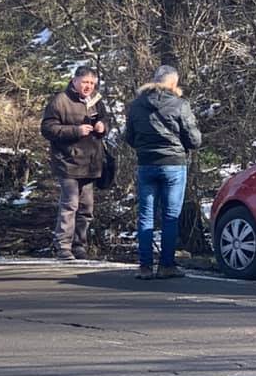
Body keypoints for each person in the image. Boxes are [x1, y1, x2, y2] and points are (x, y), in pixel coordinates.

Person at [125, 65, 202, 279]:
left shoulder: (137, 105)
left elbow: (129, 136)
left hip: (146, 164)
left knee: (145, 216)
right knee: (170, 216)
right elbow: (194, 139)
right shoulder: (180, 104)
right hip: (173, 164)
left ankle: (145, 267)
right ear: (173, 83)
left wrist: (145, 147)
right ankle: (167, 265)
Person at [41, 65, 108, 261]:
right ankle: (63, 247)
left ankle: (80, 246)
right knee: (70, 205)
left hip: (90, 162)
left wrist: (103, 127)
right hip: (67, 161)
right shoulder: (60, 101)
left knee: (86, 208)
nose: (88, 86)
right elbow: (47, 128)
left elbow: (105, 119)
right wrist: (76, 131)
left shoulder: (96, 100)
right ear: (75, 80)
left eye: (92, 83)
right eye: (85, 82)